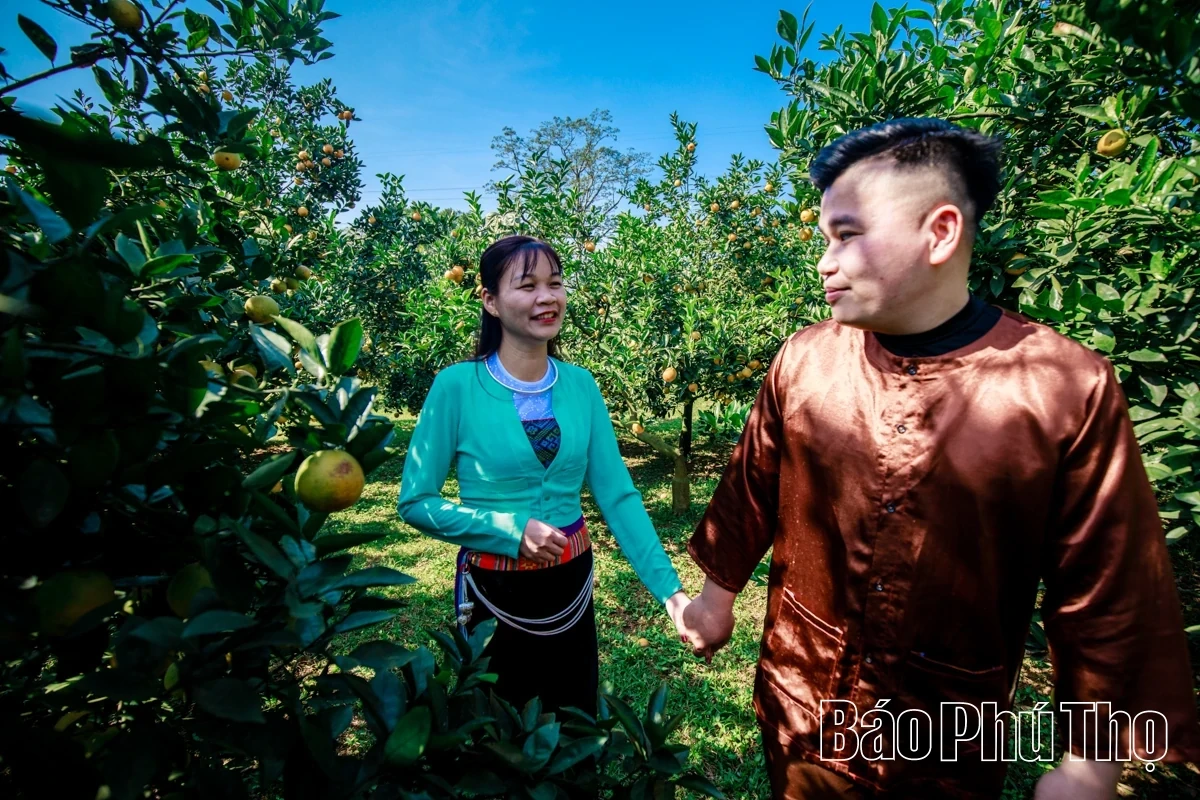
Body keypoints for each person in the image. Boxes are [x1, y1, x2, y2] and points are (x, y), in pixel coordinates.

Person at [681, 118, 1200, 798]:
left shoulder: (1064, 388)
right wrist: (717, 598)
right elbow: (752, 487)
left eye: (847, 235)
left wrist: (1088, 763)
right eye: (824, 239)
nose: (824, 262)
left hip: (943, 737)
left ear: (940, 232)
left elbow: (1105, 593)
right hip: (798, 700)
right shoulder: (805, 361)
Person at [397, 234, 693, 722]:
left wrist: (671, 595)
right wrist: (509, 531)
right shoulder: (457, 386)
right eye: (527, 285)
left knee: (572, 719)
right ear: (490, 301)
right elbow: (416, 501)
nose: (546, 297)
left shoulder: (580, 385)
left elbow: (617, 496)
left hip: (571, 585)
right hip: (495, 591)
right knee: (501, 729)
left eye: (555, 283)